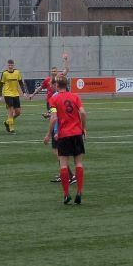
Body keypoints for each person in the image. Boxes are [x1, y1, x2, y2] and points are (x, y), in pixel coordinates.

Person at [44, 75, 87, 205]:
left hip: (63, 135)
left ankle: (66, 194)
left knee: (63, 164)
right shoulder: (75, 96)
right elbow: (83, 113)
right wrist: (83, 128)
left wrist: (48, 134)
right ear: (67, 84)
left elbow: (53, 118)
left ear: (57, 85)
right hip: (76, 133)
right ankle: (79, 192)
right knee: (78, 163)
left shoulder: (54, 99)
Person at [28, 53, 70, 119]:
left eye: (55, 71)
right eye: (52, 71)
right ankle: (49, 114)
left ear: (57, 72)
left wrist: (66, 59)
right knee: (54, 115)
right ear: (51, 72)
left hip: (59, 100)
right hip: (50, 101)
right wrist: (33, 95)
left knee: (59, 114)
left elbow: (66, 70)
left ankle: (49, 114)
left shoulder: (60, 77)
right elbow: (40, 88)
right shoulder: (47, 80)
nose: (53, 72)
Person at [0, 59, 26, 134]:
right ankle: (11, 128)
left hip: (16, 94)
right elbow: (1, 84)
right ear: (7, 65)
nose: (10, 66)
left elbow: (20, 82)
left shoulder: (17, 72)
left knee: (18, 112)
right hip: (7, 94)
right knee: (10, 111)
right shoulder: (4, 73)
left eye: (11, 65)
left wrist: (24, 92)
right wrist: (0, 95)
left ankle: (7, 122)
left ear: (13, 65)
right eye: (9, 65)